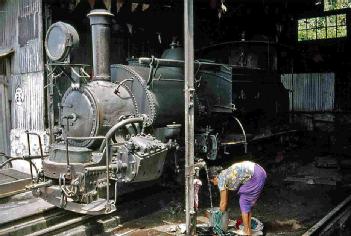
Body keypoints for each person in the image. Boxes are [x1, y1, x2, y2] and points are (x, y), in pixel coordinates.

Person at [209, 161, 266, 235]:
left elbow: (223, 202)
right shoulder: (225, 173)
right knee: (247, 204)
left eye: (212, 181)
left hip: (256, 175)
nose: (213, 183)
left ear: (215, 177)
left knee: (244, 201)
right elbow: (225, 200)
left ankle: (246, 231)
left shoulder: (221, 179)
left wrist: (218, 218)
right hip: (259, 171)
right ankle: (248, 230)